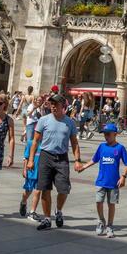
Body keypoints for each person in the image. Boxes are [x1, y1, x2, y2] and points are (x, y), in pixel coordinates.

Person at [27, 94, 82, 230]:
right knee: (45, 188)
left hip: (62, 158)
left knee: (64, 189)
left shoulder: (69, 122)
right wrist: (30, 160)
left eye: (56, 104)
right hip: (46, 156)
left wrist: (77, 160)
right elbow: (35, 141)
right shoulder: (43, 120)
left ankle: (58, 211)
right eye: (51, 104)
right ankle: (46, 219)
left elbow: (74, 143)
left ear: (63, 106)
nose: (53, 106)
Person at [77, 122, 127, 236]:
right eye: (104, 134)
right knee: (98, 201)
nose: (106, 136)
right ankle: (101, 221)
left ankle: (110, 226)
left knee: (111, 204)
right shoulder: (102, 146)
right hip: (101, 180)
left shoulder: (120, 148)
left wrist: (123, 177)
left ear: (115, 134)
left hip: (113, 182)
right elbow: (94, 159)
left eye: (108, 134)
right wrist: (84, 167)